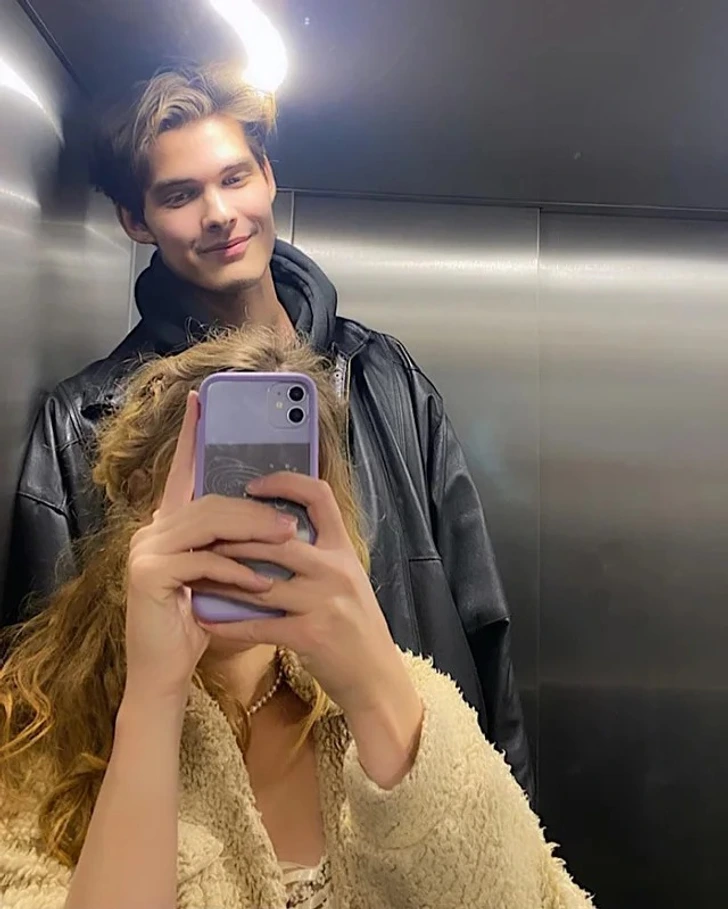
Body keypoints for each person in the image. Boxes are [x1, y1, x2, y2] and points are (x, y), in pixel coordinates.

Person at [2, 62, 532, 797]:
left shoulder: (382, 375)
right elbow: (49, 687)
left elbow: (482, 623)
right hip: (209, 816)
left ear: (268, 177)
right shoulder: (87, 419)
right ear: (135, 221)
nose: (219, 213)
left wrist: (504, 819)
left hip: (409, 793)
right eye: (180, 195)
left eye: (235, 177)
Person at [0, 327, 592, 909]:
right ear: (140, 496)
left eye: (280, 495)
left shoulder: (410, 699)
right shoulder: (40, 734)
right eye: (220, 484)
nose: (245, 525)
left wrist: (378, 696)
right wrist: (153, 699)